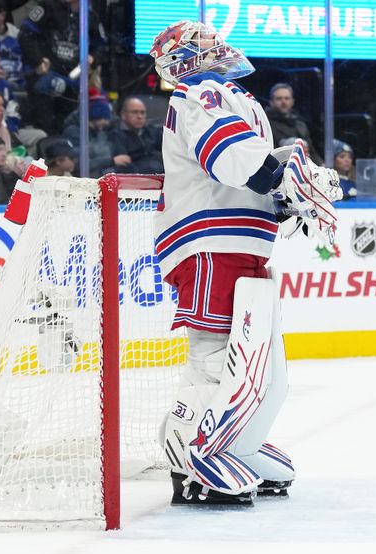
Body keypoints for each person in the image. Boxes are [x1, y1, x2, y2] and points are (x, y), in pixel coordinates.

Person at [149, 20, 342, 506]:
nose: (218, 46)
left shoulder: (232, 93)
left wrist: (293, 184)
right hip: (210, 241)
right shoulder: (199, 92)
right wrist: (282, 177)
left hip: (240, 241)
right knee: (215, 358)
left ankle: (237, 442)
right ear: (186, 59)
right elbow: (231, 155)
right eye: (206, 43)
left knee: (258, 361)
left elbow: (254, 165)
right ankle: (192, 455)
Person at [18, 0, 107, 134]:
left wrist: (93, 58)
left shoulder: (90, 15)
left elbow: (101, 45)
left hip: (74, 81)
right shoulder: (46, 7)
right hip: (47, 77)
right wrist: (37, 61)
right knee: (46, 128)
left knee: (69, 128)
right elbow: (25, 34)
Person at [62, 87, 116, 177]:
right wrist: (111, 161)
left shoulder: (99, 131)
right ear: (93, 117)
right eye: (104, 118)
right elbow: (79, 164)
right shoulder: (73, 132)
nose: (107, 123)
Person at [264, 82, 322, 163]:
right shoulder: (265, 123)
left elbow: (311, 151)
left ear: (292, 101)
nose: (283, 101)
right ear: (271, 102)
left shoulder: (300, 124)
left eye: (286, 98)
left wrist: (321, 165)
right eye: (279, 98)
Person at [109, 96, 163, 174]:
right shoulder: (115, 135)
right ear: (123, 115)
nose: (140, 117)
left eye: (142, 112)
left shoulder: (151, 131)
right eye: (135, 112)